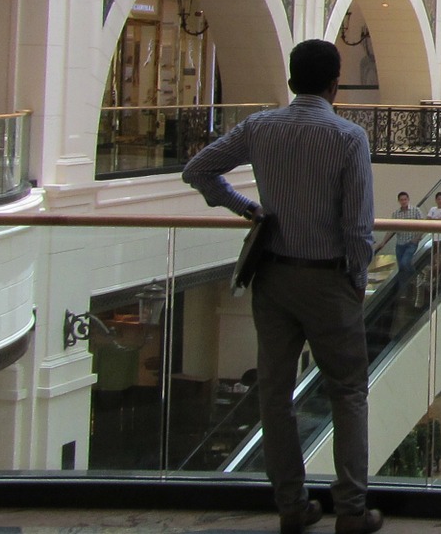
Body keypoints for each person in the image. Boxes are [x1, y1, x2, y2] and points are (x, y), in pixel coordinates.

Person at [181, 39, 381, 534]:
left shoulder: (261, 127)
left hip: (273, 277)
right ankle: (352, 510)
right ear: (336, 84)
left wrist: (246, 208)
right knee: (348, 392)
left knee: (275, 393)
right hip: (329, 279)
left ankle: (292, 505)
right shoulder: (348, 137)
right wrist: (357, 278)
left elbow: (198, 170)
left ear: (292, 82)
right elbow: (357, 228)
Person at [390, 191, 422, 276]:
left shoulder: (416, 210)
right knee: (401, 267)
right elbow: (391, 229)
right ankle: (403, 287)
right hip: (400, 243)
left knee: (405, 262)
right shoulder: (396, 214)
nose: (403, 201)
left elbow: (423, 225)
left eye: (405, 199)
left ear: (408, 199)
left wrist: (417, 238)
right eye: (401, 200)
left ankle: (414, 277)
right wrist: (383, 242)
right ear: (399, 201)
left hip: (411, 242)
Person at [425, 190, 441, 278]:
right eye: (438, 199)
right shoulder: (433, 209)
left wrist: (433, 220)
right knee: (434, 258)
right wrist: (436, 220)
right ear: (436, 200)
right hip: (433, 238)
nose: (440, 201)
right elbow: (427, 220)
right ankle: (436, 275)